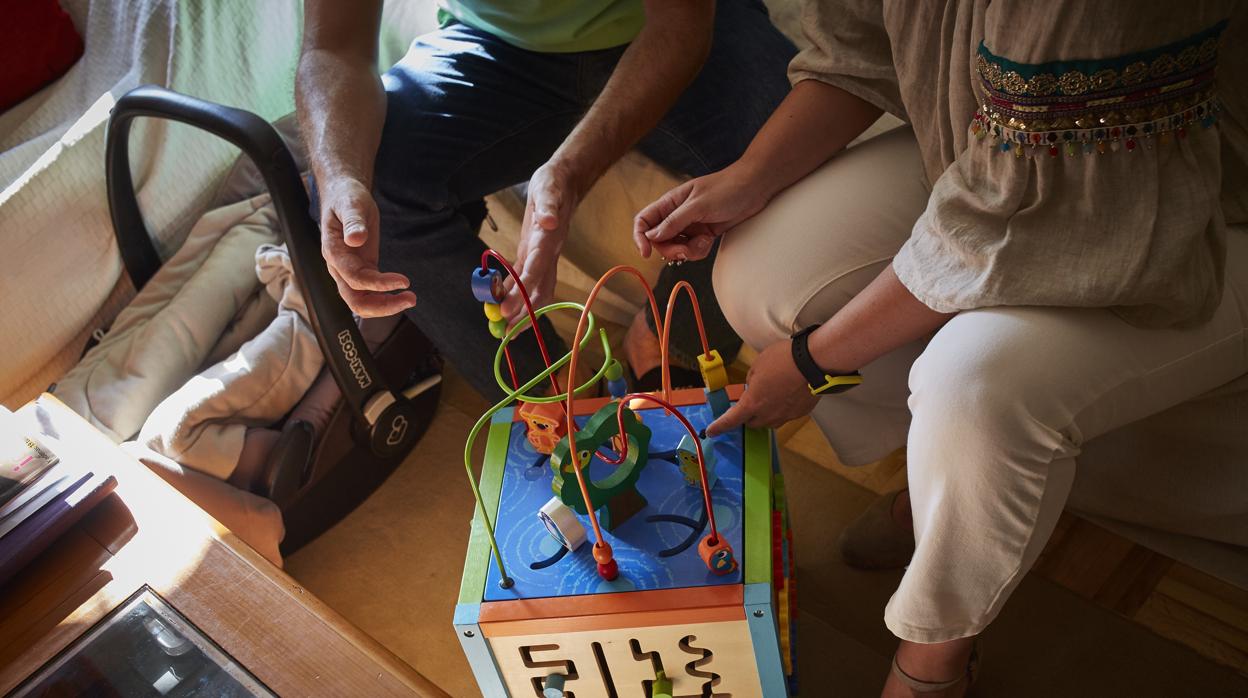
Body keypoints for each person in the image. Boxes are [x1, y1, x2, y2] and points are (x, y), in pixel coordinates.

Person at [635, 1, 1248, 695]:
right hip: (996, 147)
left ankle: (935, 659)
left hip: (1190, 196)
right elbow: (859, 49)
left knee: (975, 390)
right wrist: (747, 177)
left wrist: (813, 361)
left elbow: (1010, 208)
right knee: (757, 274)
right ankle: (943, 501)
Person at [295, 0, 795, 399]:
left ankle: (673, 339)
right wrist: (340, 176)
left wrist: (569, 172)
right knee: (362, 188)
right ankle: (552, 390)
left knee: (797, 149)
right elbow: (332, 49)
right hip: (495, 47)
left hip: (669, 24)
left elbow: (681, 23)